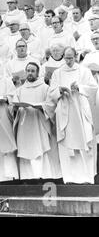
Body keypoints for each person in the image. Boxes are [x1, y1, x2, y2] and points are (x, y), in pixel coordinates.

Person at [49, 47, 98, 184]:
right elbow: (51, 92)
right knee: (67, 145)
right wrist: (59, 90)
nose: (68, 61)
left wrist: (79, 88)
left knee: (85, 141)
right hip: (65, 110)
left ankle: (86, 178)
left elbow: (93, 88)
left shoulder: (84, 71)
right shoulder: (58, 73)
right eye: (66, 58)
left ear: (76, 56)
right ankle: (70, 178)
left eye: (71, 58)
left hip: (80, 108)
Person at [13, 63, 62, 180]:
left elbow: (51, 105)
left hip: (40, 122)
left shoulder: (45, 88)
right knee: (26, 150)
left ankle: (43, 175)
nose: (30, 73)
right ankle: (27, 177)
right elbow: (13, 106)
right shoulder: (19, 90)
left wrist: (41, 107)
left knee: (41, 148)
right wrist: (17, 107)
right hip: (25, 124)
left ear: (37, 73)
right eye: (28, 71)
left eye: (33, 71)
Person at [82, 30, 99, 141]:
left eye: (97, 38)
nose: (96, 41)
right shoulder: (89, 56)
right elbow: (82, 71)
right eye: (93, 39)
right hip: (93, 87)